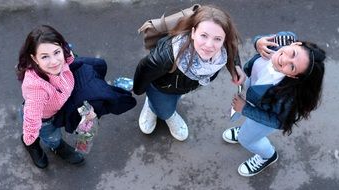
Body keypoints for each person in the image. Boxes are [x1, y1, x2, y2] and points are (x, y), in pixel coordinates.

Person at [133, 5, 245, 141]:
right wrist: (139, 90)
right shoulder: (168, 55)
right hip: (162, 88)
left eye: (217, 39)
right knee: (164, 109)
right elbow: (144, 68)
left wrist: (235, 66)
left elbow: (232, 47)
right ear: (193, 32)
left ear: (224, 39)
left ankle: (155, 105)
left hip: (183, 85)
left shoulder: (224, 48)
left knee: (174, 98)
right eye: (204, 35)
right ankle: (159, 109)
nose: (209, 45)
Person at [222, 32, 326, 177]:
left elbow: (279, 122)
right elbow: (262, 39)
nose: (284, 59)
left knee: (246, 139)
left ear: (292, 76)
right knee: (249, 128)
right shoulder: (284, 40)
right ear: (295, 44)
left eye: (292, 67)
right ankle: (247, 131)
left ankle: (267, 156)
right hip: (253, 95)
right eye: (293, 53)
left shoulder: (286, 97)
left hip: (263, 117)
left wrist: (245, 109)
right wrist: (258, 42)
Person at [16, 25, 85, 168]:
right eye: (45, 56)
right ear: (34, 58)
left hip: (57, 107)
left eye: (56, 52)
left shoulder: (64, 55)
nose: (54, 61)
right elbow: (32, 118)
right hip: (44, 119)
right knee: (51, 135)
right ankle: (38, 145)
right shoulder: (36, 87)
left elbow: (68, 55)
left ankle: (47, 142)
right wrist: (30, 136)